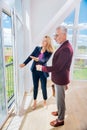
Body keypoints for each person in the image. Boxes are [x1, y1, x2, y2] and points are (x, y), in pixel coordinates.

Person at [36, 26, 73, 127]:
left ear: (64, 35)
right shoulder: (63, 45)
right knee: (59, 98)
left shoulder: (66, 49)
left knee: (60, 99)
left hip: (61, 78)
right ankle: (60, 111)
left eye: (57, 35)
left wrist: (42, 68)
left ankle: (60, 119)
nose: (55, 37)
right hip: (60, 77)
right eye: (54, 35)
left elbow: (57, 67)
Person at [20, 35, 54, 110]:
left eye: (45, 41)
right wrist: (24, 63)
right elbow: (30, 56)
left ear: (48, 43)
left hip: (42, 71)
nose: (42, 42)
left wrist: (37, 59)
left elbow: (44, 61)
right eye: (43, 40)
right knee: (35, 86)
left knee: (43, 87)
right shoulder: (37, 48)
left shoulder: (49, 52)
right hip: (35, 71)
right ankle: (35, 101)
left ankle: (45, 101)